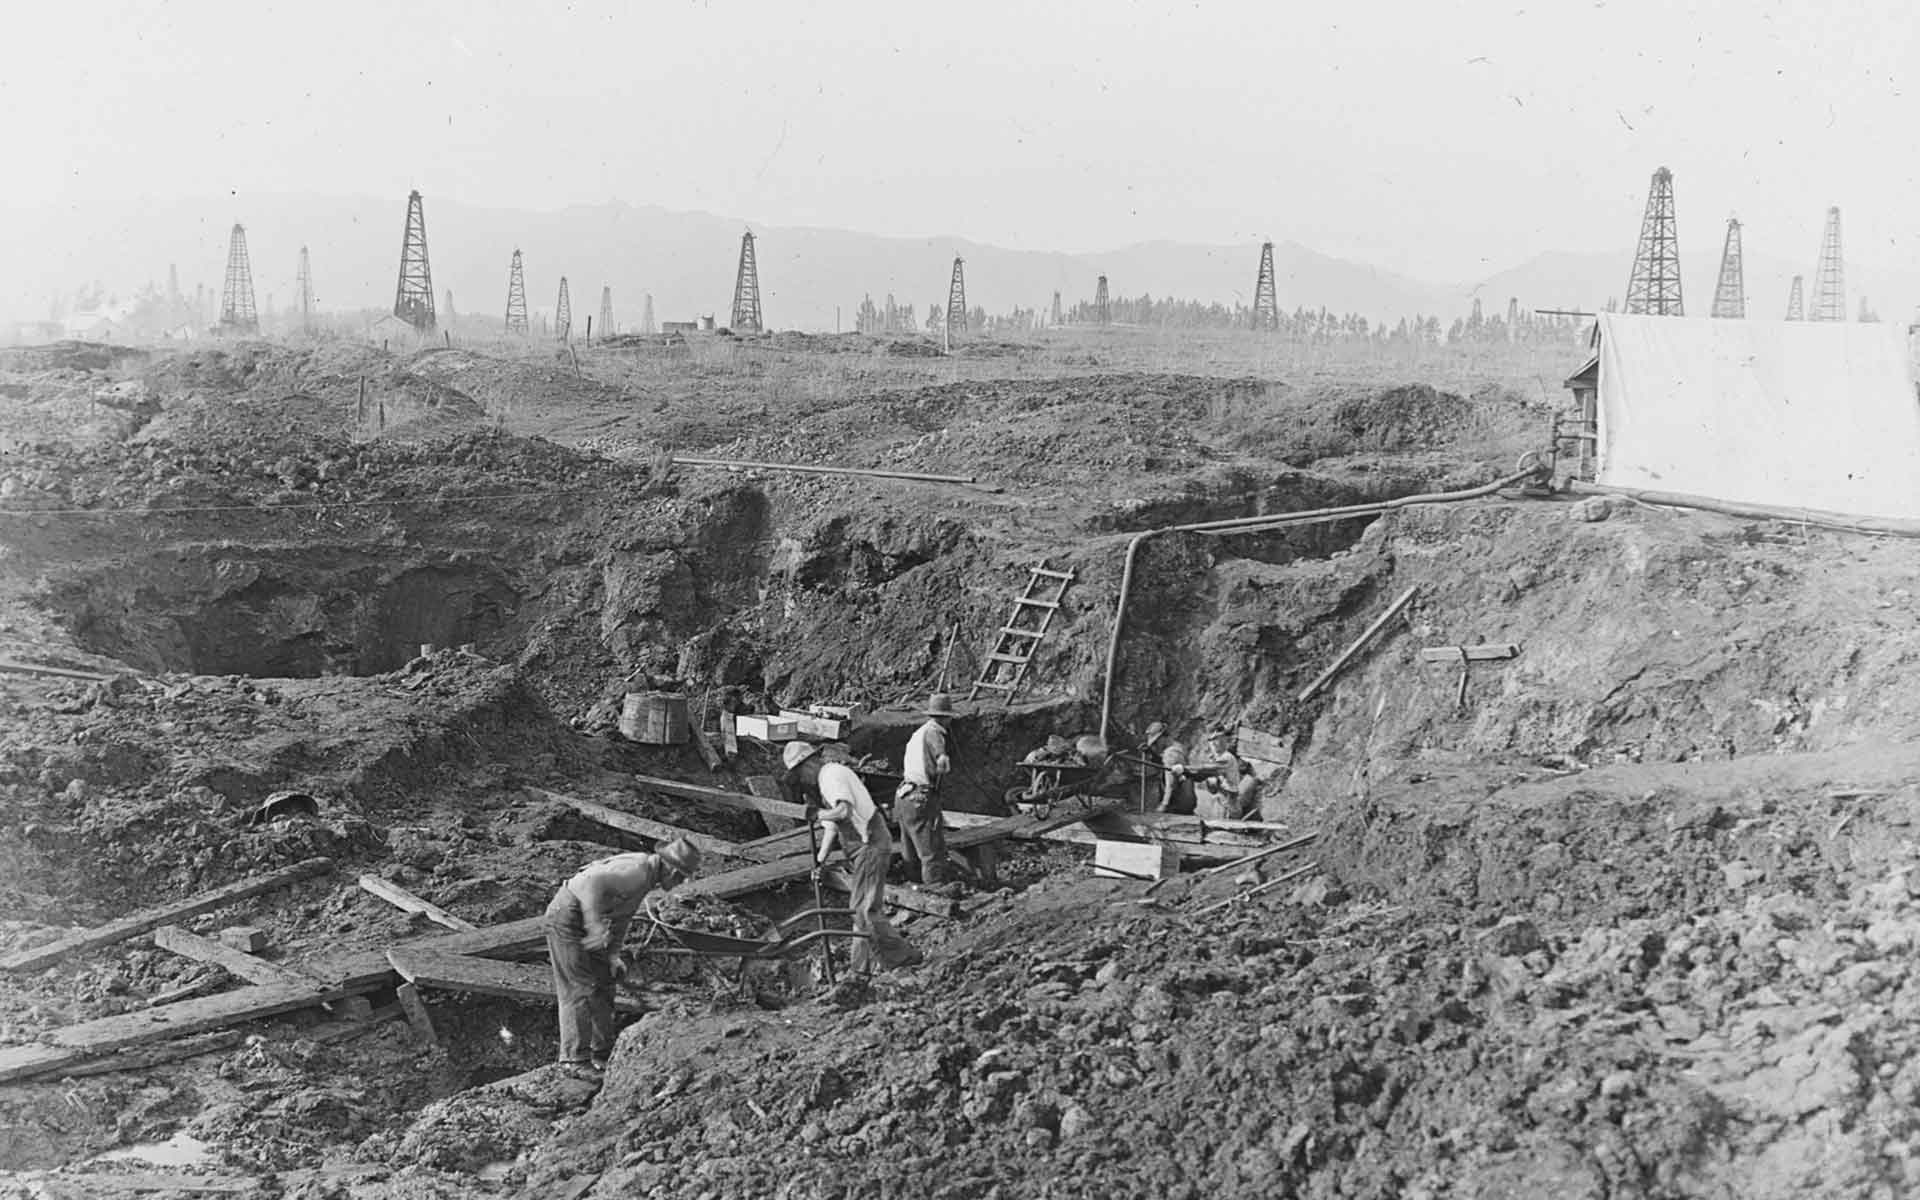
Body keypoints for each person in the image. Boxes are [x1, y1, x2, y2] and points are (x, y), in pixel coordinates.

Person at [545, 837, 703, 1079]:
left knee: (605, 981)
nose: (680, 883)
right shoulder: (636, 872)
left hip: (585, 917)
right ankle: (574, 1060)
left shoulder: (647, 879)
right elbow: (590, 882)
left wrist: (613, 955)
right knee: (579, 987)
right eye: (681, 877)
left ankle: (601, 1052)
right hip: (567, 916)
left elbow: (622, 918)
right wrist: (594, 924)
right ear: (671, 869)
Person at [786, 740, 921, 973]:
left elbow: (843, 811)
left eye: (800, 773)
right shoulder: (822, 782)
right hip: (861, 848)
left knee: (864, 909)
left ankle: (903, 957)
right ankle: (861, 969)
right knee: (859, 911)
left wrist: (817, 813)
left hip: (870, 843)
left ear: (810, 763)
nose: (801, 779)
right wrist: (820, 860)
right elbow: (831, 826)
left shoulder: (832, 775)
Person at [894, 692, 957, 885]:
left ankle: (913, 886)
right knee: (932, 851)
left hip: (904, 795)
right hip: (920, 796)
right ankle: (935, 890)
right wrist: (943, 764)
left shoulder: (918, 733)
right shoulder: (935, 732)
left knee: (910, 848)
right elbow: (942, 759)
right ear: (946, 717)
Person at [1195, 726, 1260, 820]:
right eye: (1211, 741)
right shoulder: (1219, 757)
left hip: (1230, 805)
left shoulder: (1234, 760)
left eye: (1217, 739)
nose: (1213, 743)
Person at [1144, 722, 1196, 815]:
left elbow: (1171, 784)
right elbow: (1166, 764)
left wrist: (1163, 806)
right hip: (1187, 801)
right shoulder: (1177, 746)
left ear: (1163, 738)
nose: (1154, 746)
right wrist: (1151, 753)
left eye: (1155, 742)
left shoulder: (1170, 753)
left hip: (1178, 805)